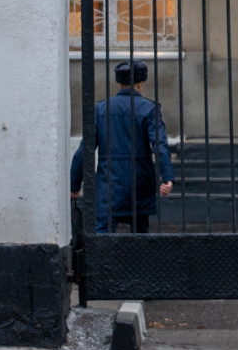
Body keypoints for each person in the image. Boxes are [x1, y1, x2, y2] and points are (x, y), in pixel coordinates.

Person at [71, 60, 173, 233]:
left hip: (109, 183)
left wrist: (75, 183)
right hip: (140, 183)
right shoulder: (149, 109)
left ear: (120, 82)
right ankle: (138, 260)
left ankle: (101, 261)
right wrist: (167, 176)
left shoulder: (101, 109)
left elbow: (85, 150)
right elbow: (160, 145)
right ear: (141, 83)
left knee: (102, 235)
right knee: (140, 235)